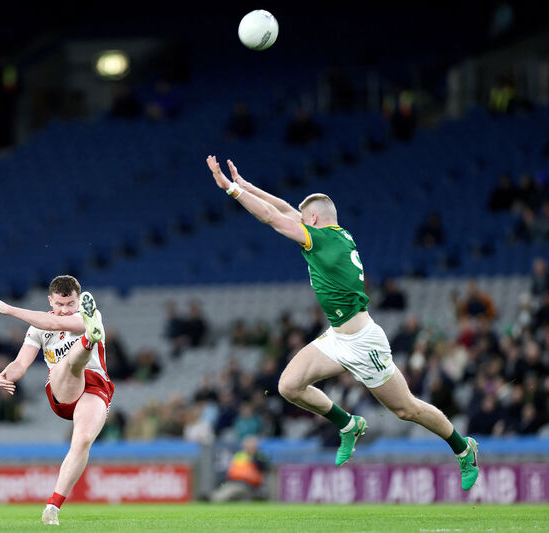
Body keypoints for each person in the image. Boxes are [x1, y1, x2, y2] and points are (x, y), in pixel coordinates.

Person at [206, 155, 480, 491]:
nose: (299, 222)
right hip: (337, 336)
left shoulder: (318, 239)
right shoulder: (334, 234)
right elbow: (286, 211)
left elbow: (272, 218)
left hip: (364, 341)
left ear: (315, 219)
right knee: (288, 386)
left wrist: (231, 190)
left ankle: (463, 448)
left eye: (305, 220)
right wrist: (247, 185)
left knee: (407, 409)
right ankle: (348, 425)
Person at [0, 275, 113, 526]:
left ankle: (52, 508)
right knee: (67, 364)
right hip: (61, 388)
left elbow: (55, 324)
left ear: (79, 301)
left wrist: (9, 309)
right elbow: (21, 364)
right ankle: (89, 340)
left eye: (71, 304)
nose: (66, 311)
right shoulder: (38, 328)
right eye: (60, 304)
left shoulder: (90, 314)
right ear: (50, 300)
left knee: (82, 441)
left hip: (95, 387)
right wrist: (5, 374)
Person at [210, 435, 269, 502]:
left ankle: (213, 498)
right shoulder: (239, 455)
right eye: (247, 445)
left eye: (251, 446)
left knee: (231, 491)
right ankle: (214, 497)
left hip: (248, 484)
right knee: (228, 489)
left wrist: (252, 456)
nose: (249, 447)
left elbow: (263, 467)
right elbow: (232, 471)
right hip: (233, 482)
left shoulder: (260, 457)